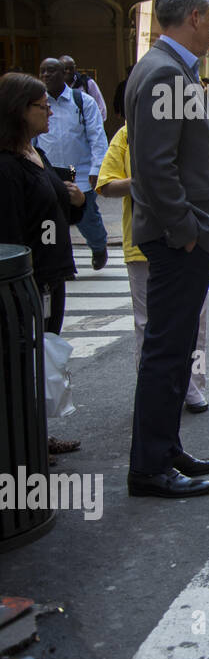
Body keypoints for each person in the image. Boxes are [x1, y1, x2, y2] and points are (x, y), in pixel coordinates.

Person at [123, 0, 209, 498]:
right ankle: (150, 466)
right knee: (168, 352)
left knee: (176, 346)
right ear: (194, 17)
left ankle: (165, 449)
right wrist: (186, 230)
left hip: (179, 235)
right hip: (178, 239)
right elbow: (154, 167)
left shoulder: (164, 67)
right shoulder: (166, 72)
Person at [96, 121, 209, 413]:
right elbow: (105, 184)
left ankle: (192, 386)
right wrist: (143, 182)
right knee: (147, 323)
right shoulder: (127, 133)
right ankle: (152, 390)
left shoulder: (193, 130)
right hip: (143, 246)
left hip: (190, 241)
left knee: (195, 321)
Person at [0, 72, 88, 460]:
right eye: (42, 106)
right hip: (31, 279)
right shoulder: (7, 165)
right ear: (19, 111)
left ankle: (38, 431)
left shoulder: (35, 152)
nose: (50, 111)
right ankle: (24, 441)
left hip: (52, 274)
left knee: (43, 353)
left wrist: (76, 200)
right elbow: (12, 232)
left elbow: (57, 207)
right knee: (24, 358)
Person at [35, 56, 109, 270]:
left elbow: (97, 137)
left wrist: (97, 169)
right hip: (49, 172)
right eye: (42, 72)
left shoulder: (83, 101)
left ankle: (98, 246)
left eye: (51, 71)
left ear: (64, 75)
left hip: (79, 172)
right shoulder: (38, 103)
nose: (46, 76)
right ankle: (55, 259)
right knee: (50, 219)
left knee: (87, 217)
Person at [59, 56, 109, 128]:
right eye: (65, 68)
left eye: (71, 68)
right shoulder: (55, 86)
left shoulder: (87, 83)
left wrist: (95, 127)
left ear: (75, 68)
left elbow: (101, 108)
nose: (68, 71)